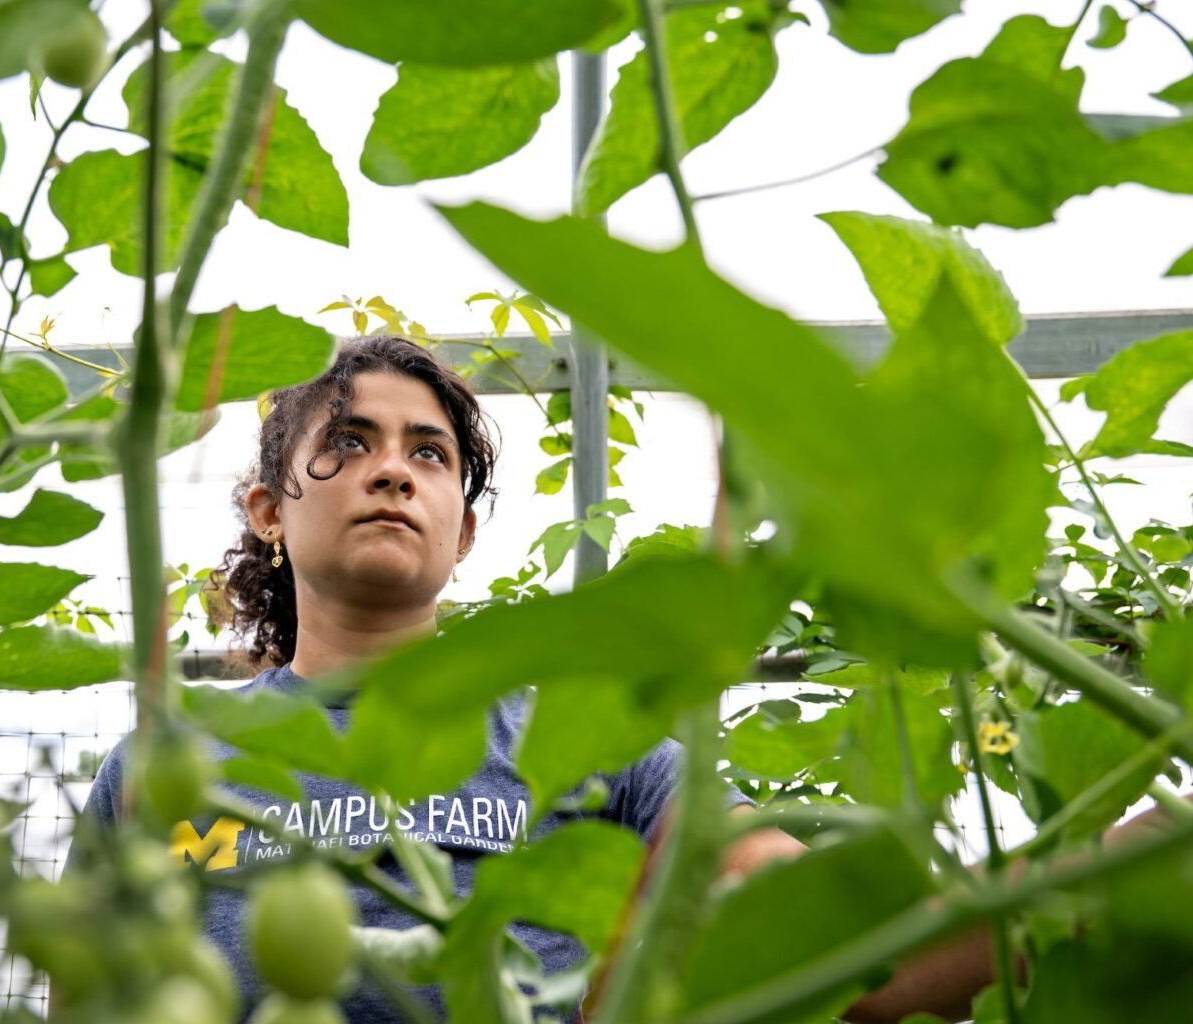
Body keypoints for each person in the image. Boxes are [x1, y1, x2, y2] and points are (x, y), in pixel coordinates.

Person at [65, 334, 1179, 1023]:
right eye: (348, 443)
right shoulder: (165, 768)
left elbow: (840, 954)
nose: (393, 467)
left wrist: (1117, 861)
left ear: (459, 533)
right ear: (268, 508)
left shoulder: (590, 737)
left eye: (430, 454)